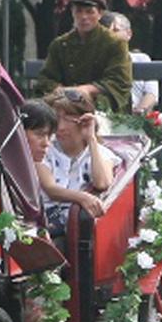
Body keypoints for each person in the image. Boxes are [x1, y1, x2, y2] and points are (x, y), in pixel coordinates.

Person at [37, 88, 120, 235]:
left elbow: (102, 183)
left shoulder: (100, 153)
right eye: (57, 119)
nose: (61, 127)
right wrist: (82, 197)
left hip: (77, 225)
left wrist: (91, 138)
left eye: (68, 119)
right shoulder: (45, 149)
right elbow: (50, 188)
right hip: (45, 218)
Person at [35, 0, 133, 114]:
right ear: (72, 13)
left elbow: (118, 81)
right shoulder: (60, 44)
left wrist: (86, 90)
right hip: (64, 106)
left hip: (102, 107)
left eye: (89, 12)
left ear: (100, 14)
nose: (83, 17)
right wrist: (61, 91)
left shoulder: (115, 43)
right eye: (78, 11)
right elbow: (46, 78)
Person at [102, 12, 158, 114]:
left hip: (136, 119)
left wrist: (139, 112)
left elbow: (151, 94)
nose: (110, 36)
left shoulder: (142, 59)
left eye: (115, 31)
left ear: (129, 33)